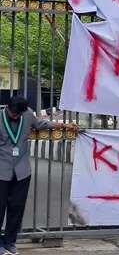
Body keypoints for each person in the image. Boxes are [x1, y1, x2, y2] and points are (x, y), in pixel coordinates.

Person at [0, 96, 76, 255]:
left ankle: (10, 242)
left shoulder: (27, 114)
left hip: (22, 172)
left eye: (18, 114)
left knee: (16, 209)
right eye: (13, 113)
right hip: (1, 171)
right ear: (7, 107)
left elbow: (41, 123)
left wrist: (62, 125)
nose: (15, 116)